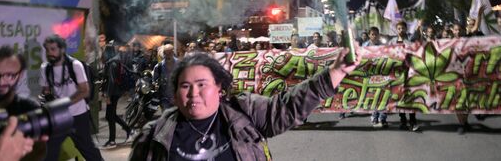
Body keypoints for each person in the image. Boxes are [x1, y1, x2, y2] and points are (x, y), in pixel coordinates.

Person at [129, 46, 361, 160]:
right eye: (185, 86)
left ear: (219, 89)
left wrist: (336, 72)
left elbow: (288, 107)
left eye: (202, 84)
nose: (193, 93)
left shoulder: (245, 112)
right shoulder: (153, 136)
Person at [40, 35, 104, 161]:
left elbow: (84, 91)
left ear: (62, 50)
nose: (49, 53)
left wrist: (64, 103)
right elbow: (46, 91)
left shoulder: (75, 65)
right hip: (59, 117)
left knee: (87, 149)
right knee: (50, 150)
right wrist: (45, 99)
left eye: (53, 49)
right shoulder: (45, 68)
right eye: (47, 50)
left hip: (78, 116)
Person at [0, 45, 47, 161]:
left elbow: (39, 153)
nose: (1, 82)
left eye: (10, 76)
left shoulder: (31, 109)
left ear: (20, 75)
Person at [388, 21, 420, 131]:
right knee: (399, 96)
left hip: (409, 72)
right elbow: (387, 53)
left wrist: (419, 26)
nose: (401, 30)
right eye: (399, 28)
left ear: (406, 29)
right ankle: (403, 121)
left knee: (410, 97)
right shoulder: (392, 41)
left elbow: (417, 40)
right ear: (396, 30)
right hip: (397, 73)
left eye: (403, 28)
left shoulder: (410, 40)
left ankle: (413, 120)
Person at [100, 44, 133, 149]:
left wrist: (108, 96)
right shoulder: (116, 60)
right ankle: (125, 132)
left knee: (110, 116)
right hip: (116, 92)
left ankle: (113, 139)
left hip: (113, 93)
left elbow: (111, 81)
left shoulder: (111, 63)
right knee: (110, 116)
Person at [362, 26, 388, 128]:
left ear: (379, 35)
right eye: (372, 34)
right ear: (369, 35)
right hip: (370, 75)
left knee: (383, 97)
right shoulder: (365, 46)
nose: (374, 36)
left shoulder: (383, 46)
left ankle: (383, 118)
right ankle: (374, 117)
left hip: (381, 74)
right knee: (374, 97)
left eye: (376, 34)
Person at [153, 44, 179, 109]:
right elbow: (154, 80)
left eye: (169, 53)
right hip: (164, 99)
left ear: (173, 52)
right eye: (165, 53)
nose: (167, 55)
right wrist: (155, 84)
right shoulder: (158, 67)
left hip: (177, 98)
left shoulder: (180, 64)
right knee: (167, 117)